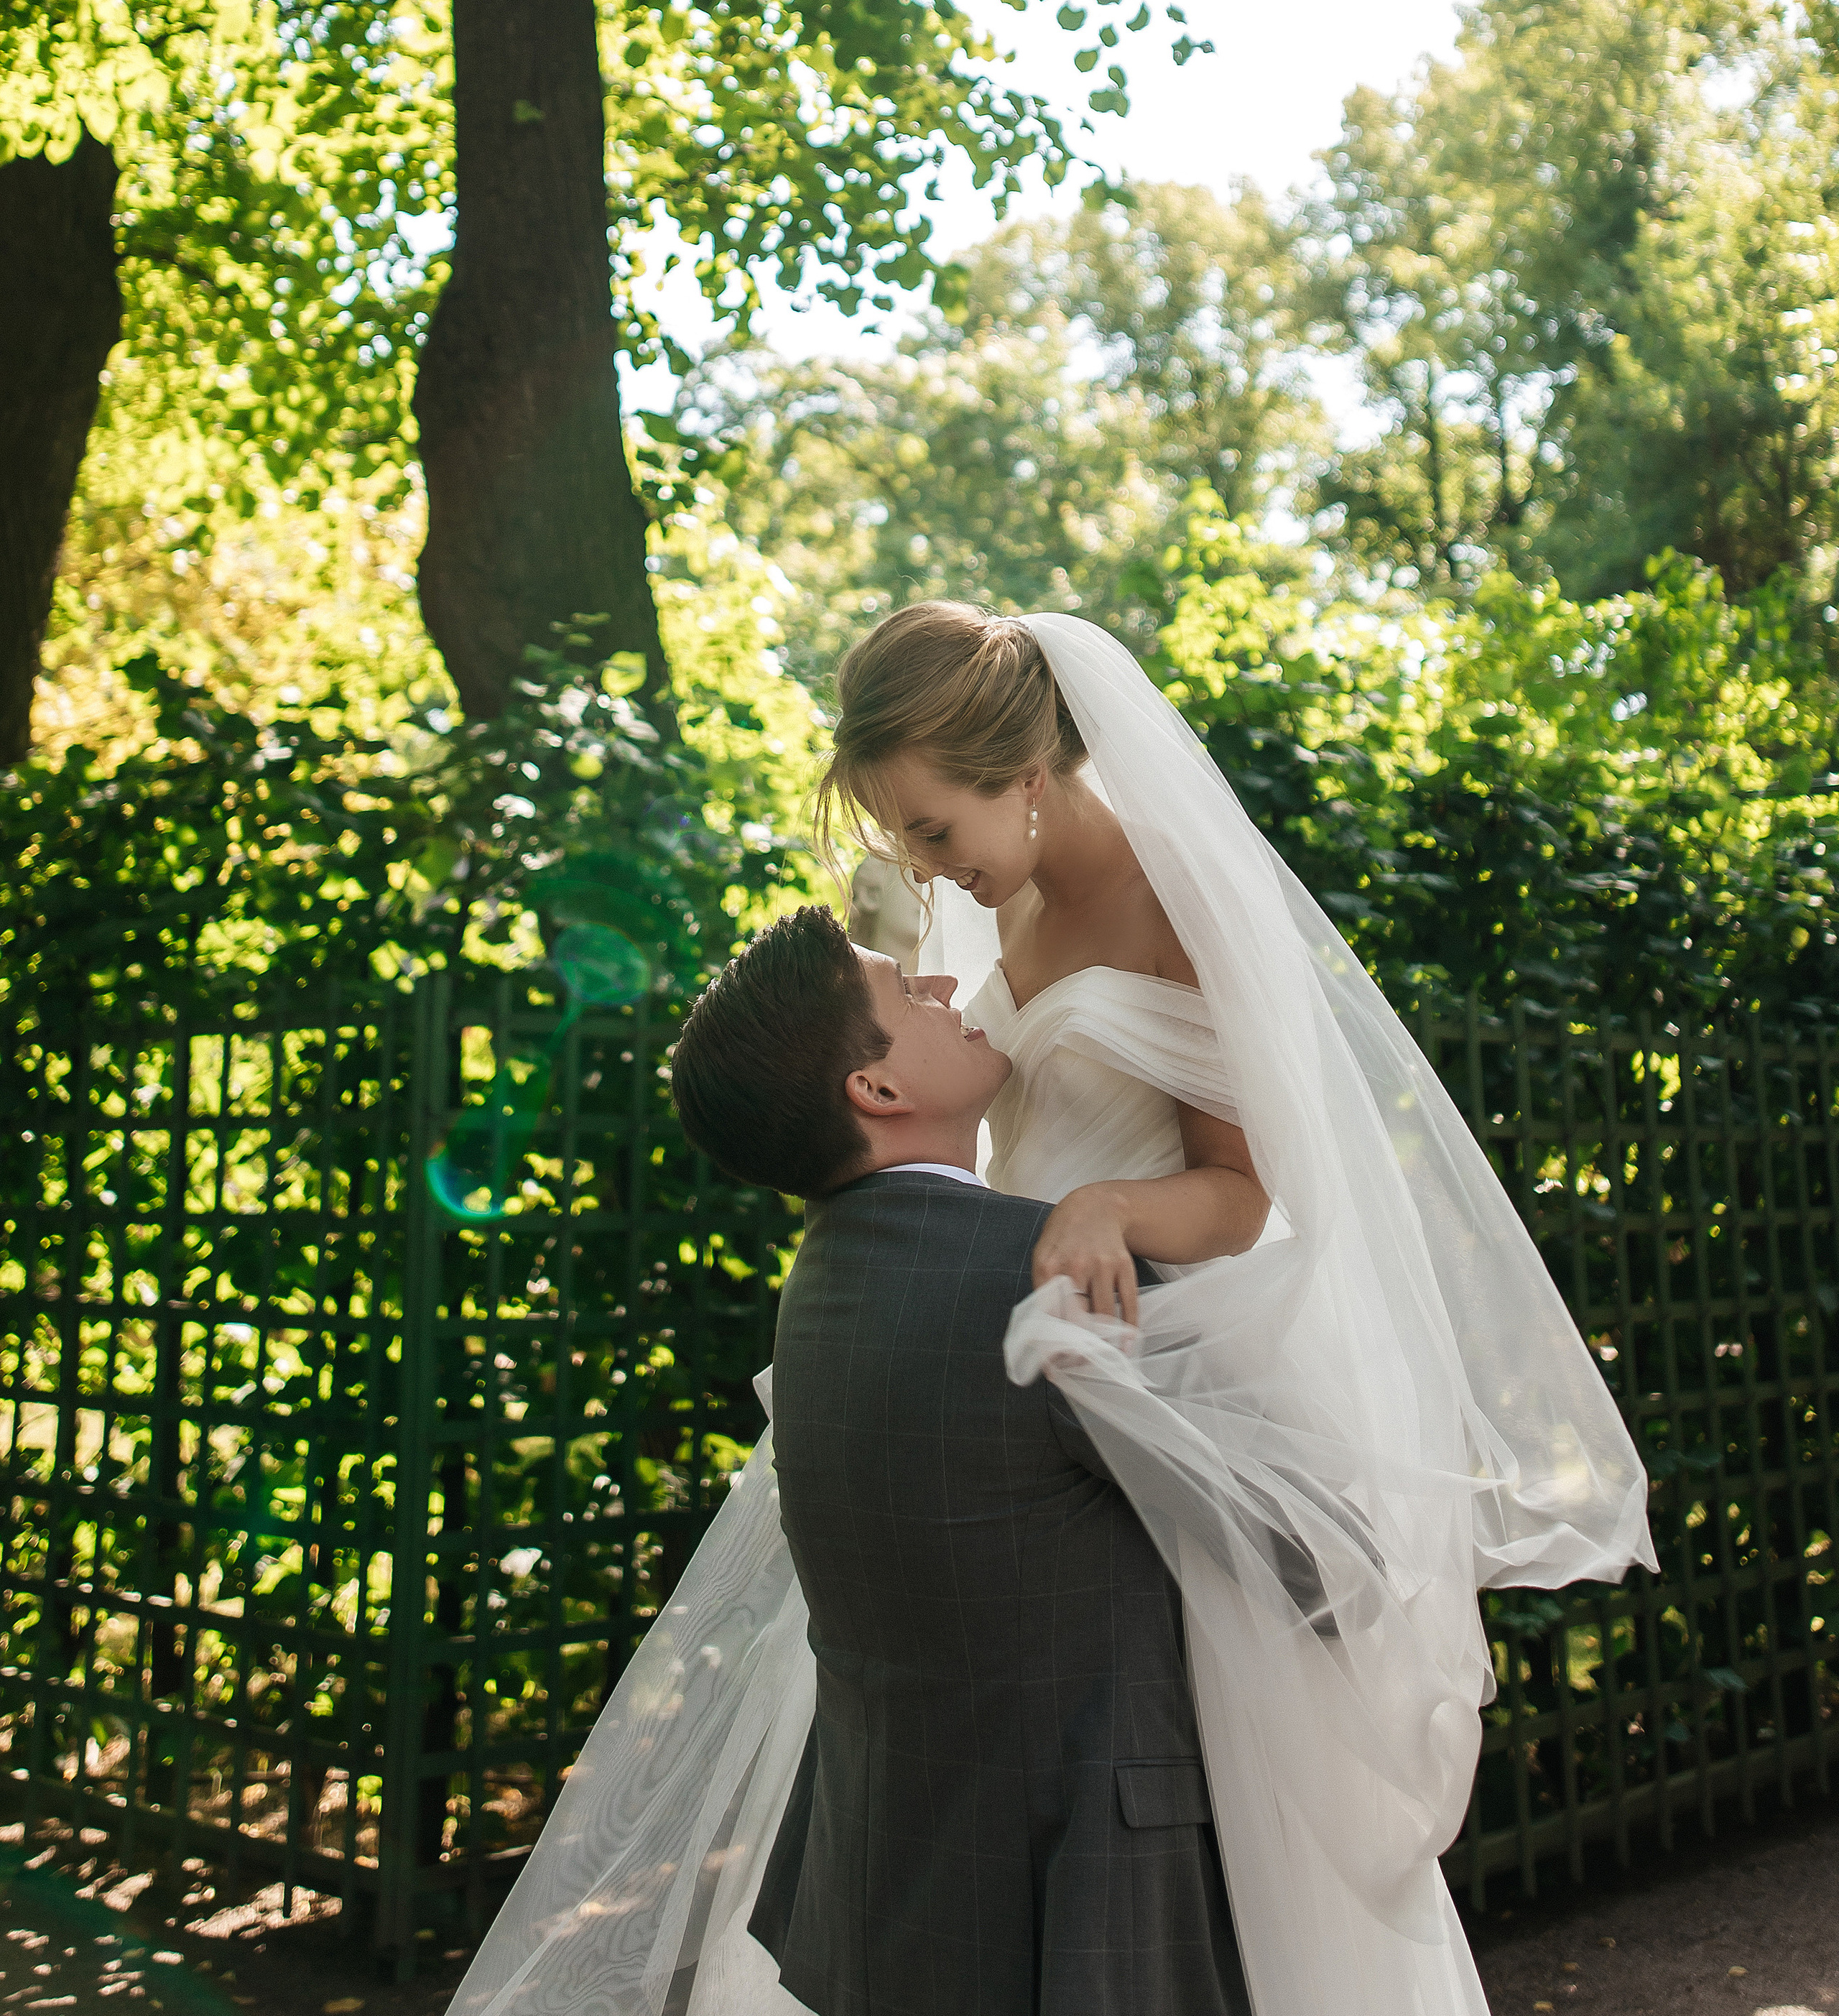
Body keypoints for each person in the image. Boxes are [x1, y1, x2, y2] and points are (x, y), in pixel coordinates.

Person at [451, 606, 1656, 2016]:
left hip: (1152, 1344)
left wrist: (1103, 1217)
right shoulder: (993, 898)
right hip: (1014, 1337)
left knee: (1209, 1831)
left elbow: (1242, 1193)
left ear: (1024, 774)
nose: (924, 868)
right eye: (906, 838)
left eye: (934, 827)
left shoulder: (1175, 904)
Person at [673, 904, 1254, 2016]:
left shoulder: (816, 1295)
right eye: (906, 993)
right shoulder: (1040, 1276)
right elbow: (1290, 1556)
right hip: (1081, 1897)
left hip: (893, 1886)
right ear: (876, 1091)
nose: (948, 988)